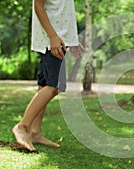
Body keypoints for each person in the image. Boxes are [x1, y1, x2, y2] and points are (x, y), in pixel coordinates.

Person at [12, 0, 83, 152]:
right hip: (53, 39)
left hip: (59, 38)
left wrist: (73, 39)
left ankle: (35, 132)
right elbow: (38, 4)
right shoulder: (53, 38)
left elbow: (64, 10)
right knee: (54, 86)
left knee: (44, 85)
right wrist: (52, 37)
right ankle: (22, 126)